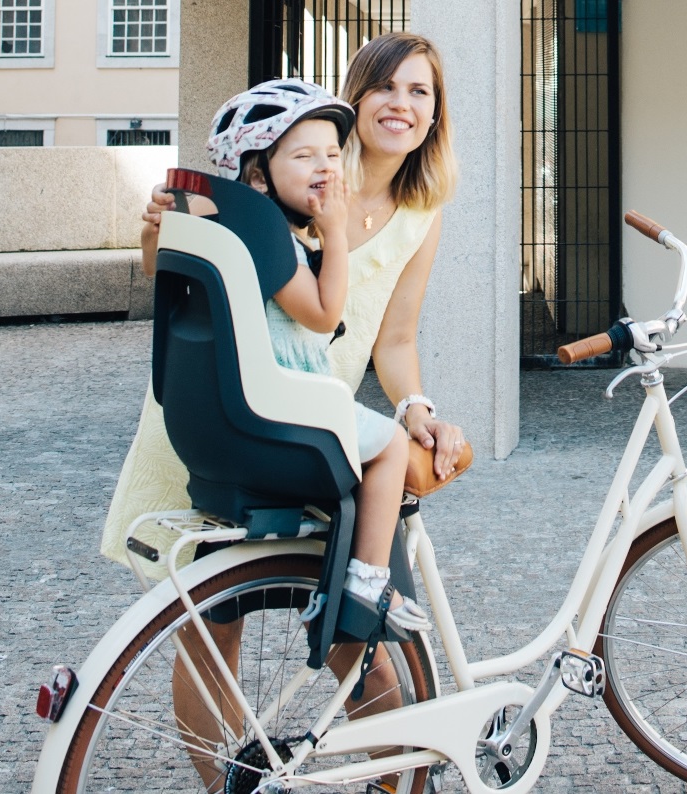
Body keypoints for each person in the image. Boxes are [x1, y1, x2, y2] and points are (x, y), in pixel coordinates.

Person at [103, 32, 464, 792]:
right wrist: (155, 226)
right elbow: (190, 252)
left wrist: (416, 407)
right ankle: (220, 785)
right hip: (234, 404)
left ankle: (397, 779)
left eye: (420, 93)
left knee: (358, 635)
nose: (401, 105)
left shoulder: (418, 210)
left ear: (436, 115)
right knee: (213, 625)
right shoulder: (296, 174)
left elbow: (393, 340)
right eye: (386, 88)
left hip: (317, 425)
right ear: (355, 97)